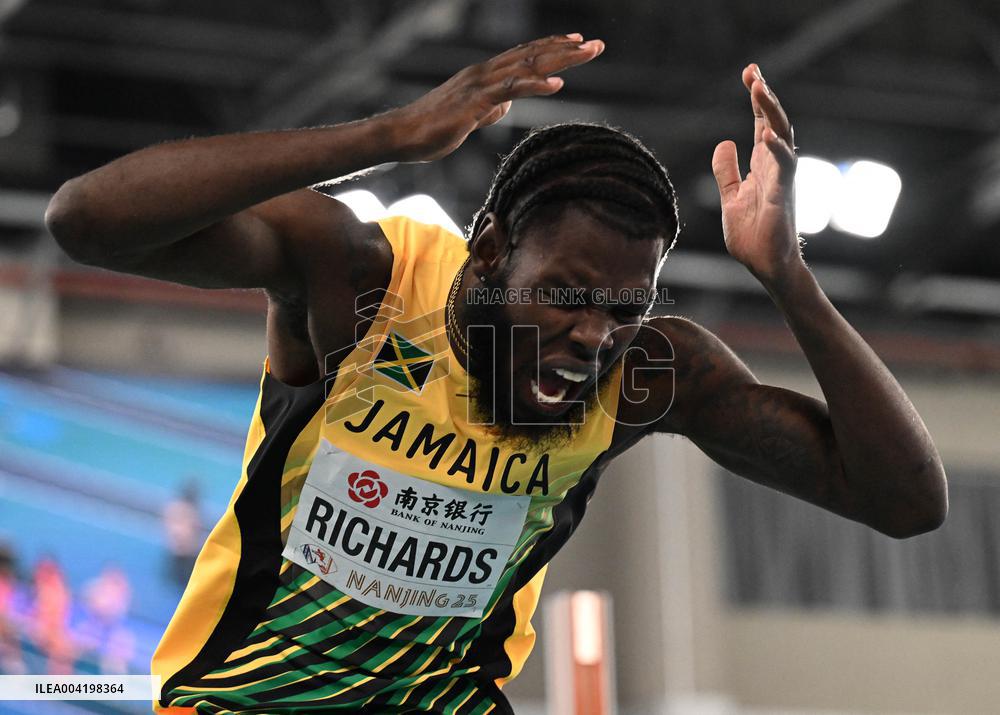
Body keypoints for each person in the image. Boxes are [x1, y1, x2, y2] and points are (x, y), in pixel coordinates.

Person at [45, 32, 947, 715]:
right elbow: (88, 220)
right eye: (563, 293)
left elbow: (905, 503)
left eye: (625, 307)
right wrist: (388, 134)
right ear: (489, 251)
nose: (594, 334)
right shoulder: (364, 282)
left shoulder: (644, 375)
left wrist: (790, 277)